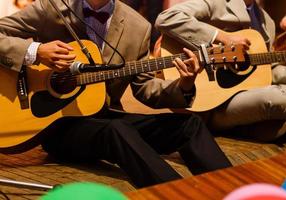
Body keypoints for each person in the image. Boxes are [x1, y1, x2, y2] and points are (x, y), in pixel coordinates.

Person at [0, 0, 232, 188]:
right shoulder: (51, 7)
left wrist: (184, 83)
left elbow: (145, 90)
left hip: (103, 115)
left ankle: (234, 190)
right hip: (55, 126)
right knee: (117, 130)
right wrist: (35, 51)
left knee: (189, 124)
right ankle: (174, 194)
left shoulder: (138, 26)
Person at [155, 0, 286, 141]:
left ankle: (249, 125)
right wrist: (222, 37)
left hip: (245, 95)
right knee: (276, 98)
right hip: (210, 103)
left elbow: (270, 70)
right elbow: (166, 18)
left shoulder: (267, 22)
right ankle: (252, 125)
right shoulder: (218, 3)